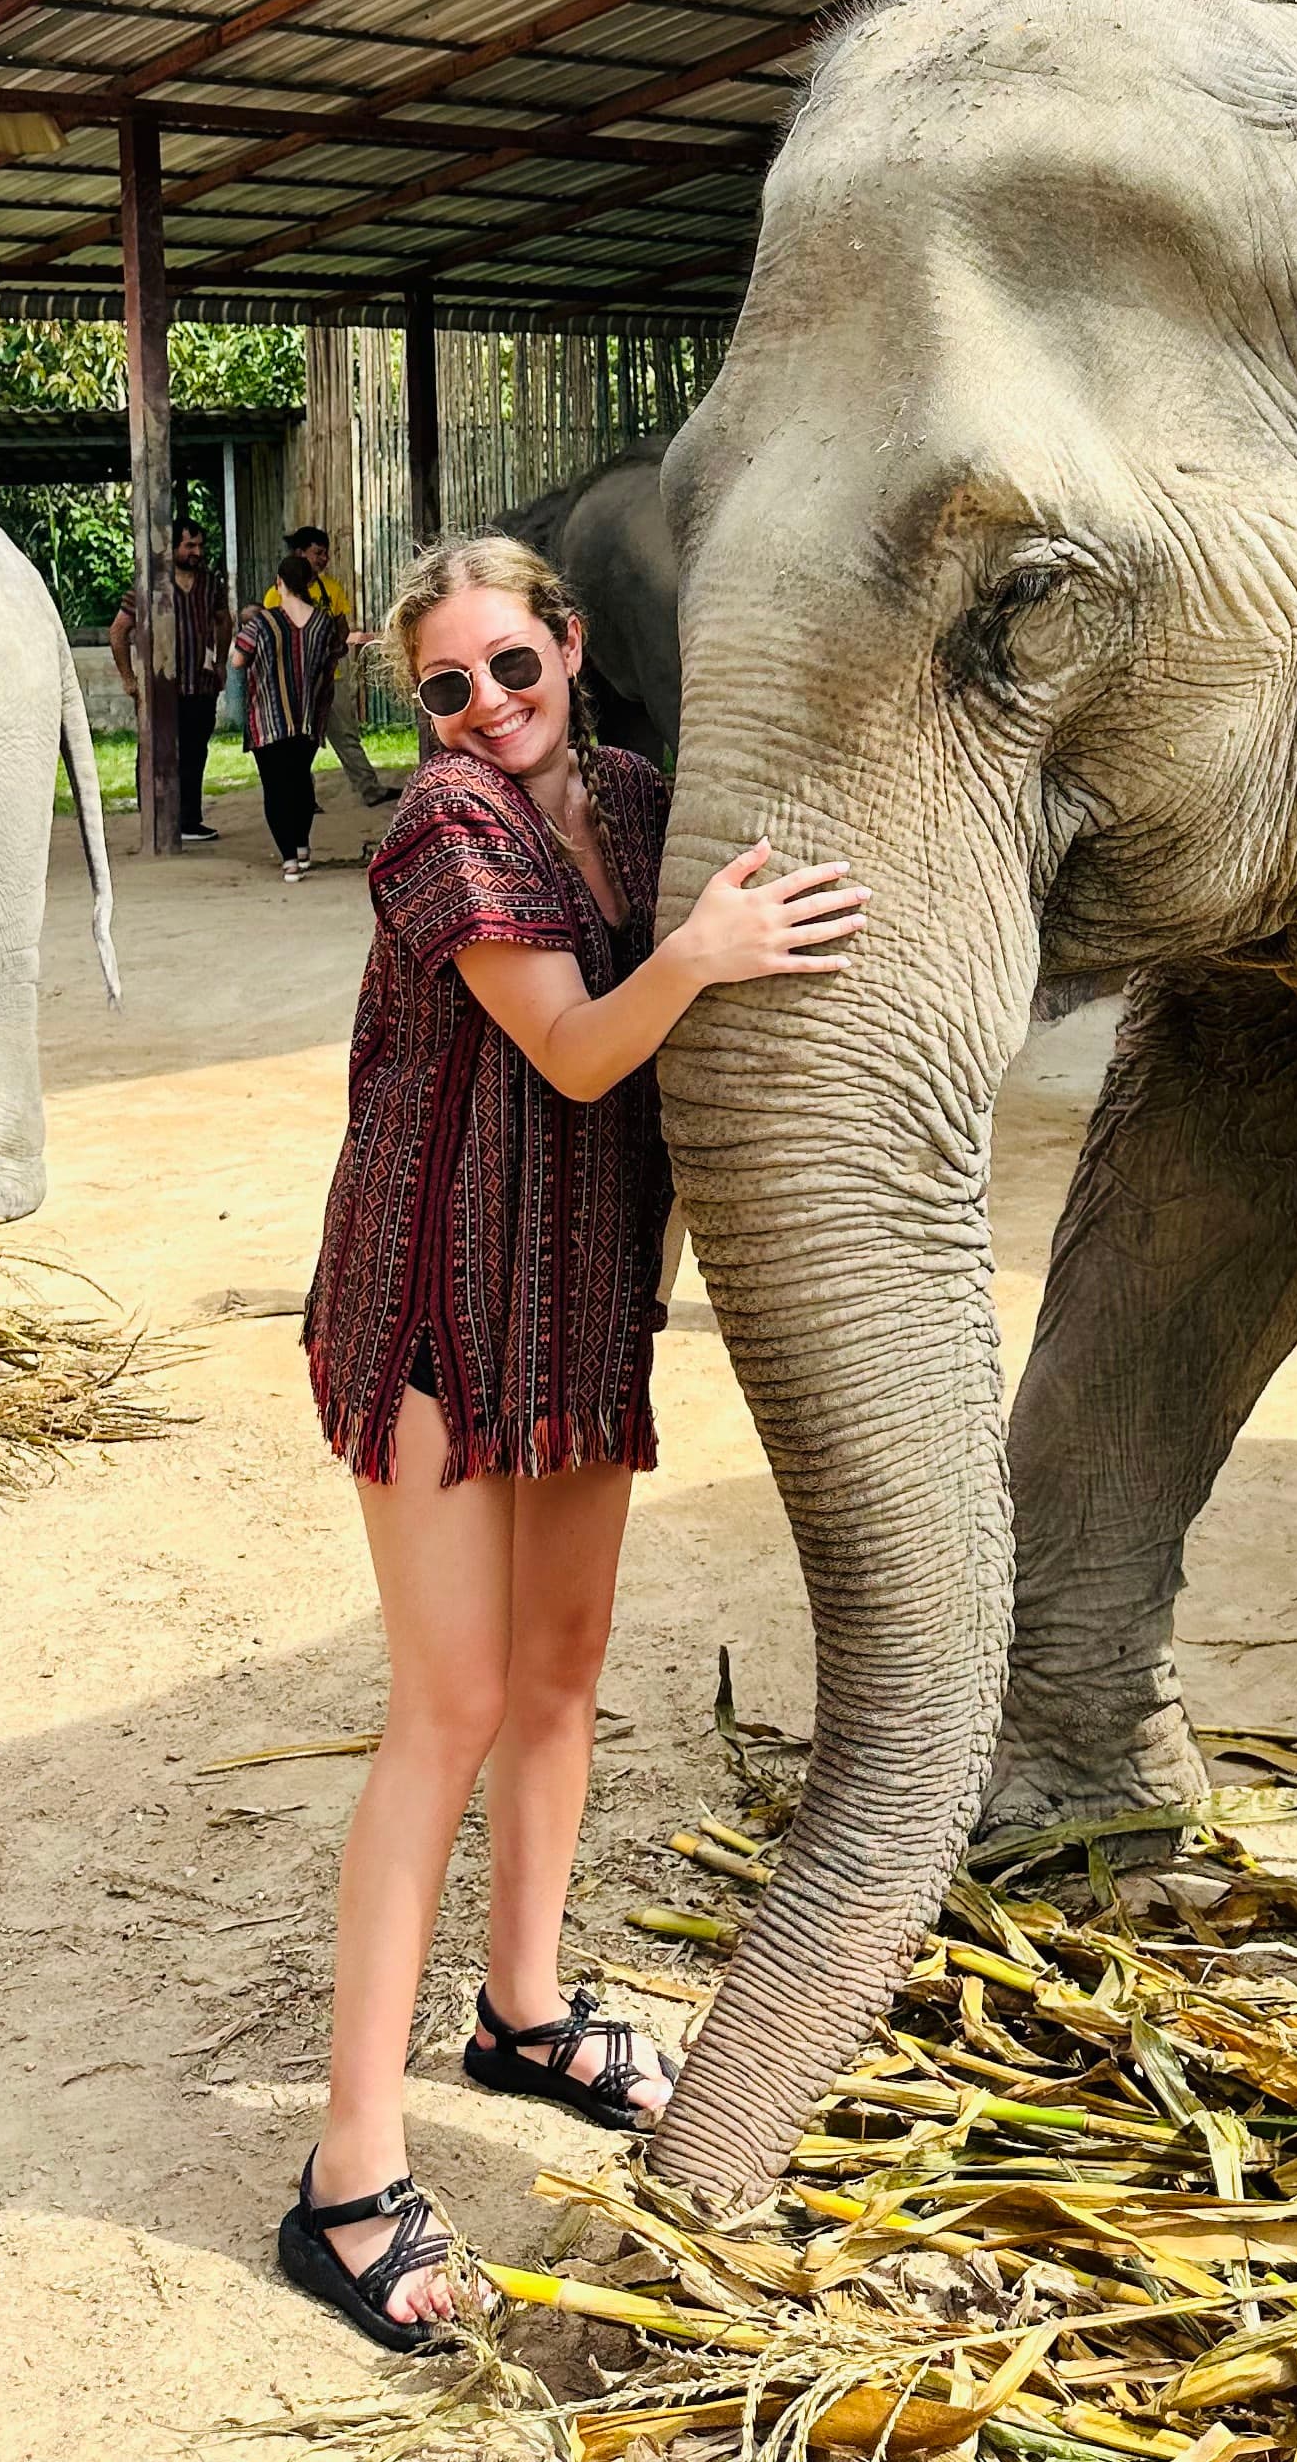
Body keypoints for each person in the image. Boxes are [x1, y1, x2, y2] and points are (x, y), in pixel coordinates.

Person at [276, 533, 863, 2350]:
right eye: (446, 686)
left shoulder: (631, 795)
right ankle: (345, 2173)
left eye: (511, 666)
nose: (486, 707)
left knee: (562, 1672)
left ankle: (521, 2010)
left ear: (570, 644)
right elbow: (583, 1052)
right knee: (446, 1705)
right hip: (436, 1300)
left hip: (581, 1295)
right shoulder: (442, 825)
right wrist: (699, 950)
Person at [109, 514, 235, 843]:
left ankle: (189, 821)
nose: (197, 552)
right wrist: (128, 678)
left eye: (200, 545)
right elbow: (118, 631)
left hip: (200, 685)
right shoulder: (149, 585)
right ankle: (154, 821)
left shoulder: (210, 583)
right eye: (189, 545)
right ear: (173, 547)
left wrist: (221, 663)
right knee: (155, 754)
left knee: (195, 755)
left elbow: (224, 620)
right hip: (160, 689)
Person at [227, 547, 349, 882]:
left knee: (276, 788)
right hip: (307, 718)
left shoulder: (262, 622)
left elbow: (238, 660)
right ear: (309, 582)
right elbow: (334, 655)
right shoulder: (323, 624)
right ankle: (303, 846)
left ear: (278, 583)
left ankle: (289, 860)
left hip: (267, 719)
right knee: (300, 782)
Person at [273, 526, 398, 811]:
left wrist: (335, 647)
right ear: (299, 553)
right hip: (298, 681)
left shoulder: (331, 588)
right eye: (317, 552)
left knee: (346, 735)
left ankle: (370, 790)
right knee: (299, 741)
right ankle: (304, 799)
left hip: (332, 675)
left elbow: (341, 627)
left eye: (326, 553)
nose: (324, 559)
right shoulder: (276, 594)